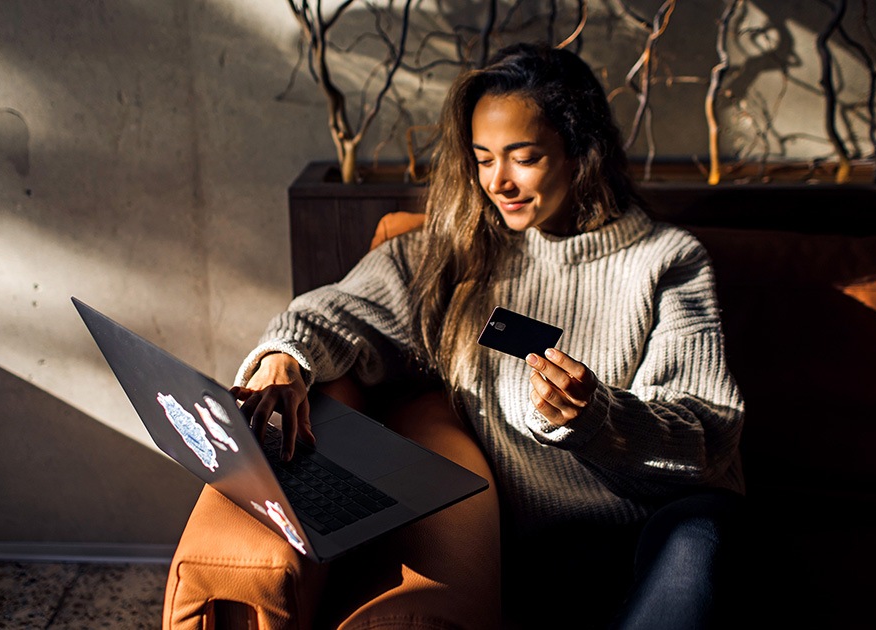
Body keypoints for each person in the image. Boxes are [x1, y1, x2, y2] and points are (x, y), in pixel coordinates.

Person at [233, 42, 745, 629]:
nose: (498, 182)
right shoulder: (461, 256)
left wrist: (597, 419)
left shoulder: (666, 260)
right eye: (483, 159)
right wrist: (284, 357)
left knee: (699, 542)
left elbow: (707, 439)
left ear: (582, 153)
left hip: (670, 525)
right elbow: (339, 310)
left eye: (523, 157)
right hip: (541, 544)